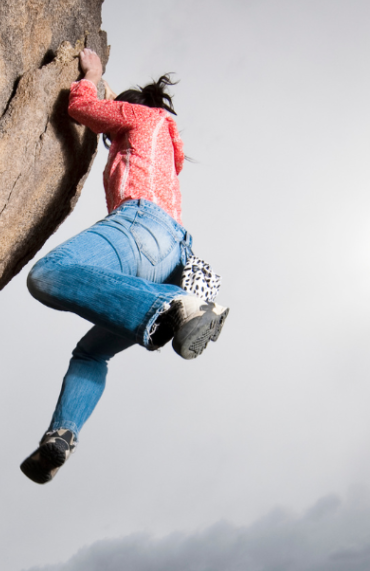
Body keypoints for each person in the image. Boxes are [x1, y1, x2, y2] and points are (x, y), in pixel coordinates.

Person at [20, 48, 228, 484]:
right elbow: (120, 118)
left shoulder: (139, 119)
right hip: (172, 256)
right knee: (92, 352)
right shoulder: (162, 142)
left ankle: (176, 306)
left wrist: (91, 75)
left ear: (129, 108)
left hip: (140, 227)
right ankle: (61, 435)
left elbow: (81, 107)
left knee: (48, 275)